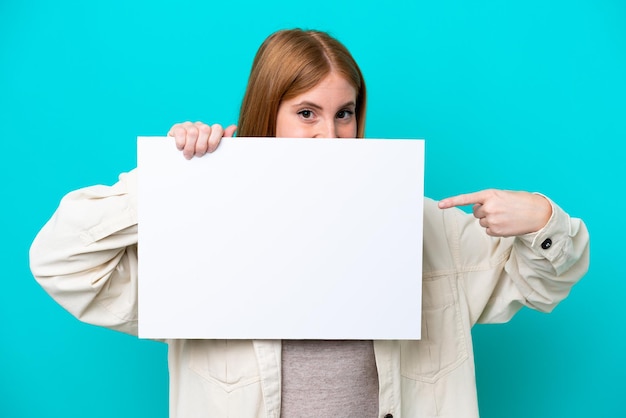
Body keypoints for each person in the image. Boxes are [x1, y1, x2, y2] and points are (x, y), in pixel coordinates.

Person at [29, 28, 590, 418]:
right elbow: (61, 260)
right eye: (306, 113)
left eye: (344, 113)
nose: (330, 134)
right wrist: (169, 181)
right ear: (266, 114)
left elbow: (536, 285)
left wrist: (541, 218)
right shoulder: (201, 222)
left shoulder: (423, 225)